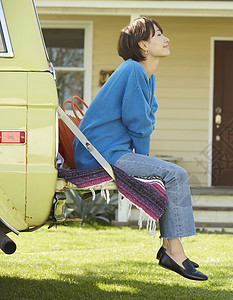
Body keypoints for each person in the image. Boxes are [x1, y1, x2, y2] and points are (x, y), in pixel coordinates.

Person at [73, 17, 207, 281]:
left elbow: (145, 117)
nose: (165, 39)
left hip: (113, 151)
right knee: (175, 174)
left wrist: (142, 158)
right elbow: (139, 121)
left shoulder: (147, 75)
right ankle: (174, 252)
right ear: (143, 45)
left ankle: (172, 249)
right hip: (100, 155)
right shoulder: (133, 70)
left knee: (171, 174)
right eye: (158, 35)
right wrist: (142, 160)